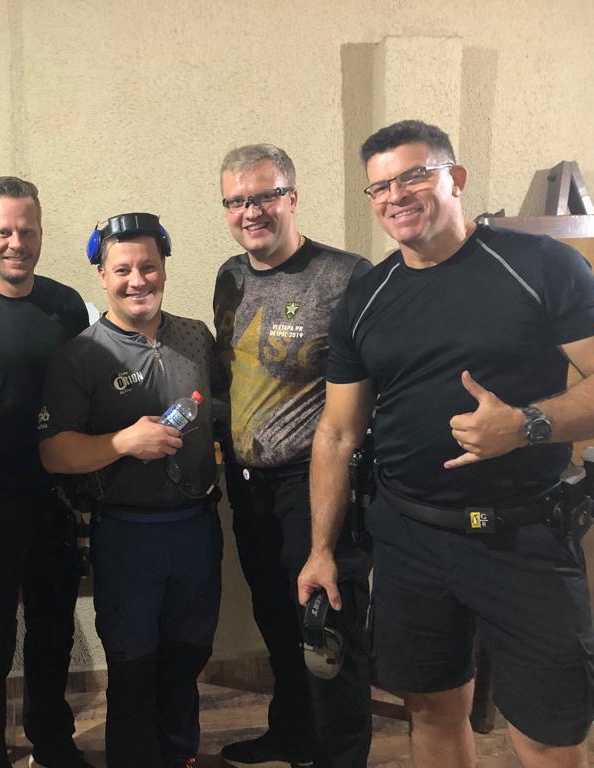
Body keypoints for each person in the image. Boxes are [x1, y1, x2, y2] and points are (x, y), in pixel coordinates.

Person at [297, 119, 594, 768]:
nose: (395, 196)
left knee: (547, 735)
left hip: (524, 537)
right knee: (432, 708)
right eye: (379, 187)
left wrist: (527, 424)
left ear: (455, 178)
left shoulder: (539, 266)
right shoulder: (365, 296)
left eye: (413, 176)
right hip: (410, 538)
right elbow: (338, 431)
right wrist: (320, 549)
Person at [38, 213, 221, 768]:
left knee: (188, 655)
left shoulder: (196, 336)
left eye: (148, 266)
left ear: (164, 267)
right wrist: (122, 442)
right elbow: (54, 452)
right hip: (127, 535)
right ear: (102, 275)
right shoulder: (80, 355)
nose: (137, 280)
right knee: (134, 663)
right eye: (122, 270)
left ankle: (180, 755)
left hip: (198, 529)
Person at [213, 144, 373, 768]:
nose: (251, 211)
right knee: (277, 622)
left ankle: (339, 756)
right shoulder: (230, 276)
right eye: (237, 201)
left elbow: (373, 386)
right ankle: (293, 735)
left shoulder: (345, 276)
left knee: (326, 630)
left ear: (293, 198)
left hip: (316, 483)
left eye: (265, 196)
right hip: (249, 486)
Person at [0, 176, 92, 768]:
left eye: (26, 231)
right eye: (3, 231)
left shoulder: (66, 305)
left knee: (54, 630)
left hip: (56, 497)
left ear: (40, 233)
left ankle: (52, 740)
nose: (16, 243)